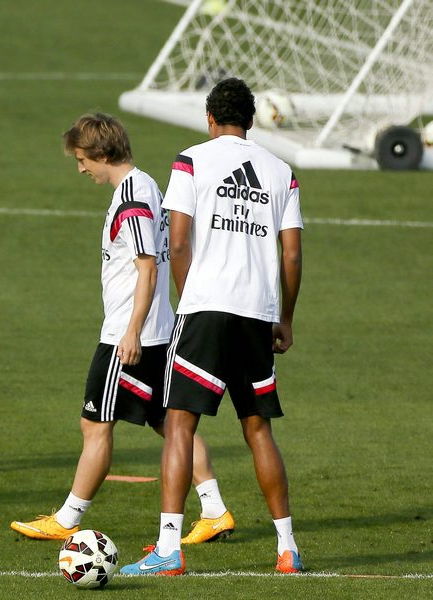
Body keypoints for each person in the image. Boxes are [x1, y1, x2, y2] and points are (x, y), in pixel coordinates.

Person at [10, 114, 234, 544]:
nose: (81, 168)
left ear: (101, 153)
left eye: (82, 159)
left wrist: (131, 332)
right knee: (171, 424)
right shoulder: (146, 185)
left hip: (129, 336)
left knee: (95, 425)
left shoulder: (131, 199)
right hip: (158, 330)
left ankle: (68, 518)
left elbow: (147, 268)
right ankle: (214, 510)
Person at [121, 78, 304, 576]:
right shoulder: (281, 172)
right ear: (251, 120)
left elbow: (178, 242)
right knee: (258, 428)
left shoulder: (191, 161)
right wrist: (285, 318)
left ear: (209, 119)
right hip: (257, 314)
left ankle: (168, 549)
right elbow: (291, 254)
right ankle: (287, 548)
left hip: (204, 310)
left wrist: (189, 299)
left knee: (180, 423)